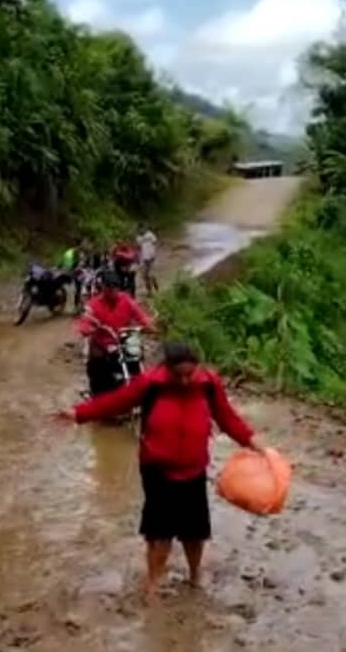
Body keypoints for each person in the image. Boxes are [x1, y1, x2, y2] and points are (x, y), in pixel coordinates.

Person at [58, 342, 262, 596]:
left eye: (190, 374)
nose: (186, 381)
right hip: (157, 469)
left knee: (194, 532)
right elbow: (116, 402)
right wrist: (78, 414)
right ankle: (153, 583)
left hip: (194, 469)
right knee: (159, 533)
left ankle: (195, 575)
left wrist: (255, 444)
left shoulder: (209, 384)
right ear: (167, 369)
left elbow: (227, 418)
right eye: (180, 376)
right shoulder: (151, 384)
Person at [78, 270, 154, 396]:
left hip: (122, 341)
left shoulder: (126, 300)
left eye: (115, 287)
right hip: (102, 344)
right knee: (96, 366)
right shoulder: (93, 304)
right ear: (103, 287)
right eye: (109, 287)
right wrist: (87, 328)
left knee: (137, 360)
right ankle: (98, 398)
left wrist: (149, 325)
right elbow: (85, 320)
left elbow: (140, 314)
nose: (113, 291)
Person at [136, 225, 159, 295]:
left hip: (152, 258)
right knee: (145, 276)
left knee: (150, 275)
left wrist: (154, 253)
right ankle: (149, 292)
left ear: (144, 228)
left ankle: (155, 283)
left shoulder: (150, 234)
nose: (141, 231)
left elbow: (155, 243)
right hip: (144, 258)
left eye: (142, 229)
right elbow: (138, 248)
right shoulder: (138, 238)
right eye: (139, 230)